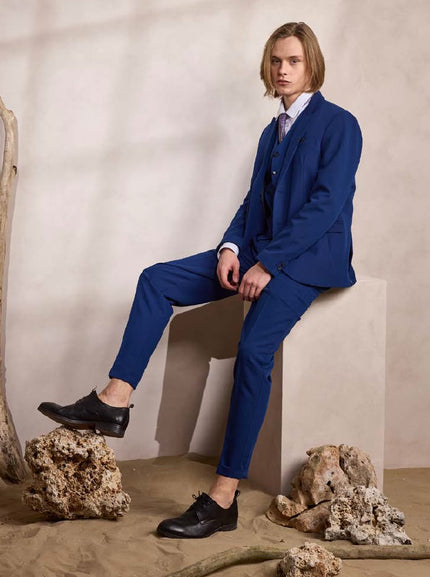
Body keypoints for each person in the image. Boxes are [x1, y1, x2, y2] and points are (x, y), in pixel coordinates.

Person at [38, 21, 362, 539]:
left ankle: (223, 498)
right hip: (260, 248)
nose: (282, 70)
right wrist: (232, 247)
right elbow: (253, 202)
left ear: (312, 65)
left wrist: (267, 263)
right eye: (276, 61)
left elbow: (325, 206)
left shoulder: (340, 124)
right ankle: (115, 399)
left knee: (253, 351)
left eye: (294, 61)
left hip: (308, 259)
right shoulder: (271, 131)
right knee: (155, 280)